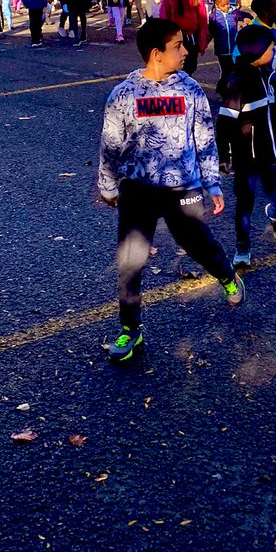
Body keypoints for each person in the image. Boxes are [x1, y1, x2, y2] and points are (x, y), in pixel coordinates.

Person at [98, 18, 245, 362]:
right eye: (178, 46)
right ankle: (130, 330)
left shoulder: (190, 89)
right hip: (137, 190)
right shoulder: (123, 95)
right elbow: (110, 145)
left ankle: (226, 274)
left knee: (196, 242)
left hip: (184, 187)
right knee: (131, 260)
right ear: (156, 54)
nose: (186, 50)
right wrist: (107, 185)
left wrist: (212, 183)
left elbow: (205, 138)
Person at [217, 24, 276, 268]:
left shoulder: (272, 79)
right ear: (259, 51)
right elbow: (224, 123)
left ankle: (275, 214)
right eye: (271, 47)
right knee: (245, 203)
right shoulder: (238, 83)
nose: (274, 51)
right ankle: (243, 247)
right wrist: (225, 155)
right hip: (246, 158)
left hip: (272, 152)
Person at [158, 0, 208, 75]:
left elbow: (203, 19)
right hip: (177, 38)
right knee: (178, 67)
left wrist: (202, 40)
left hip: (192, 37)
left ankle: (188, 89)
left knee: (191, 66)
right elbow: (164, 17)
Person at [209, 0, 251, 94]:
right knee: (226, 71)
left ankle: (233, 91)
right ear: (217, 6)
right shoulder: (213, 17)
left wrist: (246, 18)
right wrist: (202, 44)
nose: (227, 6)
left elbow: (246, 15)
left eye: (228, 4)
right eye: (224, 5)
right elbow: (209, 32)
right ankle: (223, 91)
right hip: (221, 50)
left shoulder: (233, 13)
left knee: (235, 70)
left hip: (233, 48)